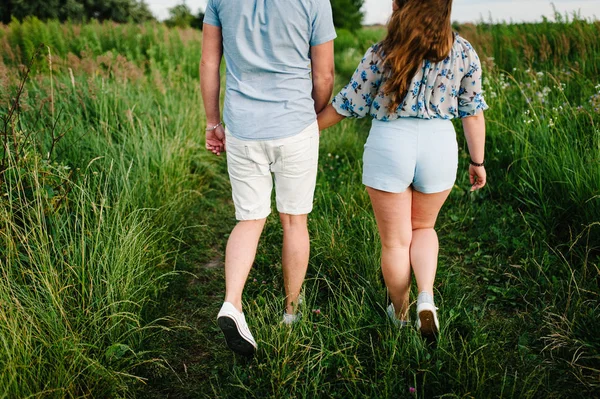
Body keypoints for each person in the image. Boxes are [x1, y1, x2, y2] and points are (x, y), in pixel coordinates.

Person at [317, 0, 488, 339]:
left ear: (400, 6)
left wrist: (305, 129)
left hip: (390, 142)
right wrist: (477, 161)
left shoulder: (383, 51)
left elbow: (348, 102)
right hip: (439, 145)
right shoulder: (464, 51)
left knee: (395, 243)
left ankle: (401, 315)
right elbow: (473, 112)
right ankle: (426, 294)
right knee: (424, 228)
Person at [201, 0, 336, 357]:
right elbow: (323, 75)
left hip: (244, 128)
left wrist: (213, 122)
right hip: (295, 124)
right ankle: (291, 312)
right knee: (293, 220)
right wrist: (312, 114)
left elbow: (209, 63)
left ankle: (232, 303)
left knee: (249, 218)